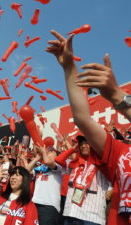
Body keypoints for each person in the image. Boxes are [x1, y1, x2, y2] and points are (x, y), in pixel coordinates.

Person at [46, 30, 131, 225]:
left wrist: (119, 97)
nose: (85, 145)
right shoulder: (122, 153)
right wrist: (69, 67)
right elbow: (82, 118)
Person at [56, 136, 110, 225]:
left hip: (91, 217)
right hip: (71, 213)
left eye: (87, 143)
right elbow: (58, 159)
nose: (83, 146)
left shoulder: (101, 166)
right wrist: (72, 149)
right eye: (81, 144)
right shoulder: (75, 164)